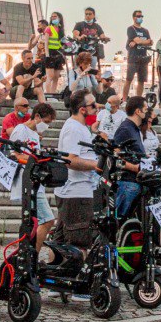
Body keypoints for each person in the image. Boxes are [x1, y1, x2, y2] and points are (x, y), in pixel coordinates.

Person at [53, 89, 102, 252]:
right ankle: (77, 275)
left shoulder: (80, 127)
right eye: (93, 105)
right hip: (76, 192)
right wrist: (96, 165)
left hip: (76, 191)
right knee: (79, 244)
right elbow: (70, 160)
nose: (97, 108)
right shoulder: (74, 128)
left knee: (60, 242)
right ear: (83, 109)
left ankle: (56, 274)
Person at [8, 102, 57, 250]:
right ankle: (32, 254)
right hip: (26, 181)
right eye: (46, 122)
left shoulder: (35, 135)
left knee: (34, 222)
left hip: (36, 182)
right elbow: (15, 154)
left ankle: (27, 251)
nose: (47, 126)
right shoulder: (20, 130)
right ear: (37, 116)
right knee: (48, 220)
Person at [112, 97, 150, 218]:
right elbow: (114, 155)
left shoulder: (134, 128)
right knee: (120, 219)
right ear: (138, 111)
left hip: (136, 181)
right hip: (127, 182)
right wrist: (134, 167)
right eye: (145, 109)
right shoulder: (125, 128)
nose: (147, 112)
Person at [123, 10, 152, 102]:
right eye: (138, 16)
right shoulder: (131, 29)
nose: (140, 18)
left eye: (141, 16)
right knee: (129, 80)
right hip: (133, 58)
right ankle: (124, 100)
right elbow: (141, 41)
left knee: (141, 81)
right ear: (133, 17)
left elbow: (150, 42)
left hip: (143, 58)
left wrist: (138, 41)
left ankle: (138, 100)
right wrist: (141, 41)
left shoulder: (145, 30)